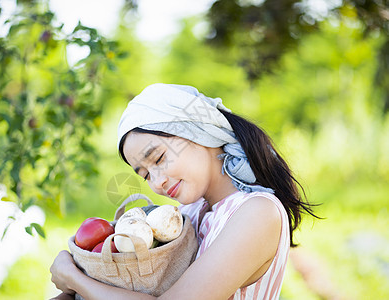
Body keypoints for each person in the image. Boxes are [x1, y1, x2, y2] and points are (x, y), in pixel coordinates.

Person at [50, 83, 318, 300]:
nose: (156, 183)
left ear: (197, 130)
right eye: (144, 174)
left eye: (158, 159)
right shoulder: (188, 213)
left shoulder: (257, 212)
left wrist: (74, 278)